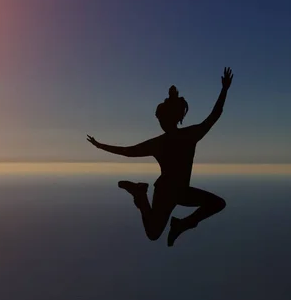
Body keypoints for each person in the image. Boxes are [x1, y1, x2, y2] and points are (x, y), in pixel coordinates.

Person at [87, 67, 233, 246]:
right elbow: (214, 116)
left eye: (161, 119)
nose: (160, 123)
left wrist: (100, 146)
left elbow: (127, 151)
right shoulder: (189, 135)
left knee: (216, 204)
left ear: (170, 118)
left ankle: (179, 221)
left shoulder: (166, 141)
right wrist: (224, 90)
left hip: (176, 191)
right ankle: (141, 195)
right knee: (154, 232)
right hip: (167, 193)